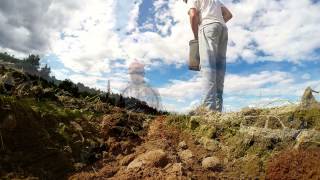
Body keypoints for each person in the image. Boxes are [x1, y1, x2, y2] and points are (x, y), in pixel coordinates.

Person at [185, 0, 232, 112]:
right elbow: (228, 15)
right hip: (223, 29)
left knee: (208, 67)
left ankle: (208, 111)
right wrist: (216, 23)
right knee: (219, 69)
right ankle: (218, 110)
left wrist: (197, 38)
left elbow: (193, 15)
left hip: (207, 27)